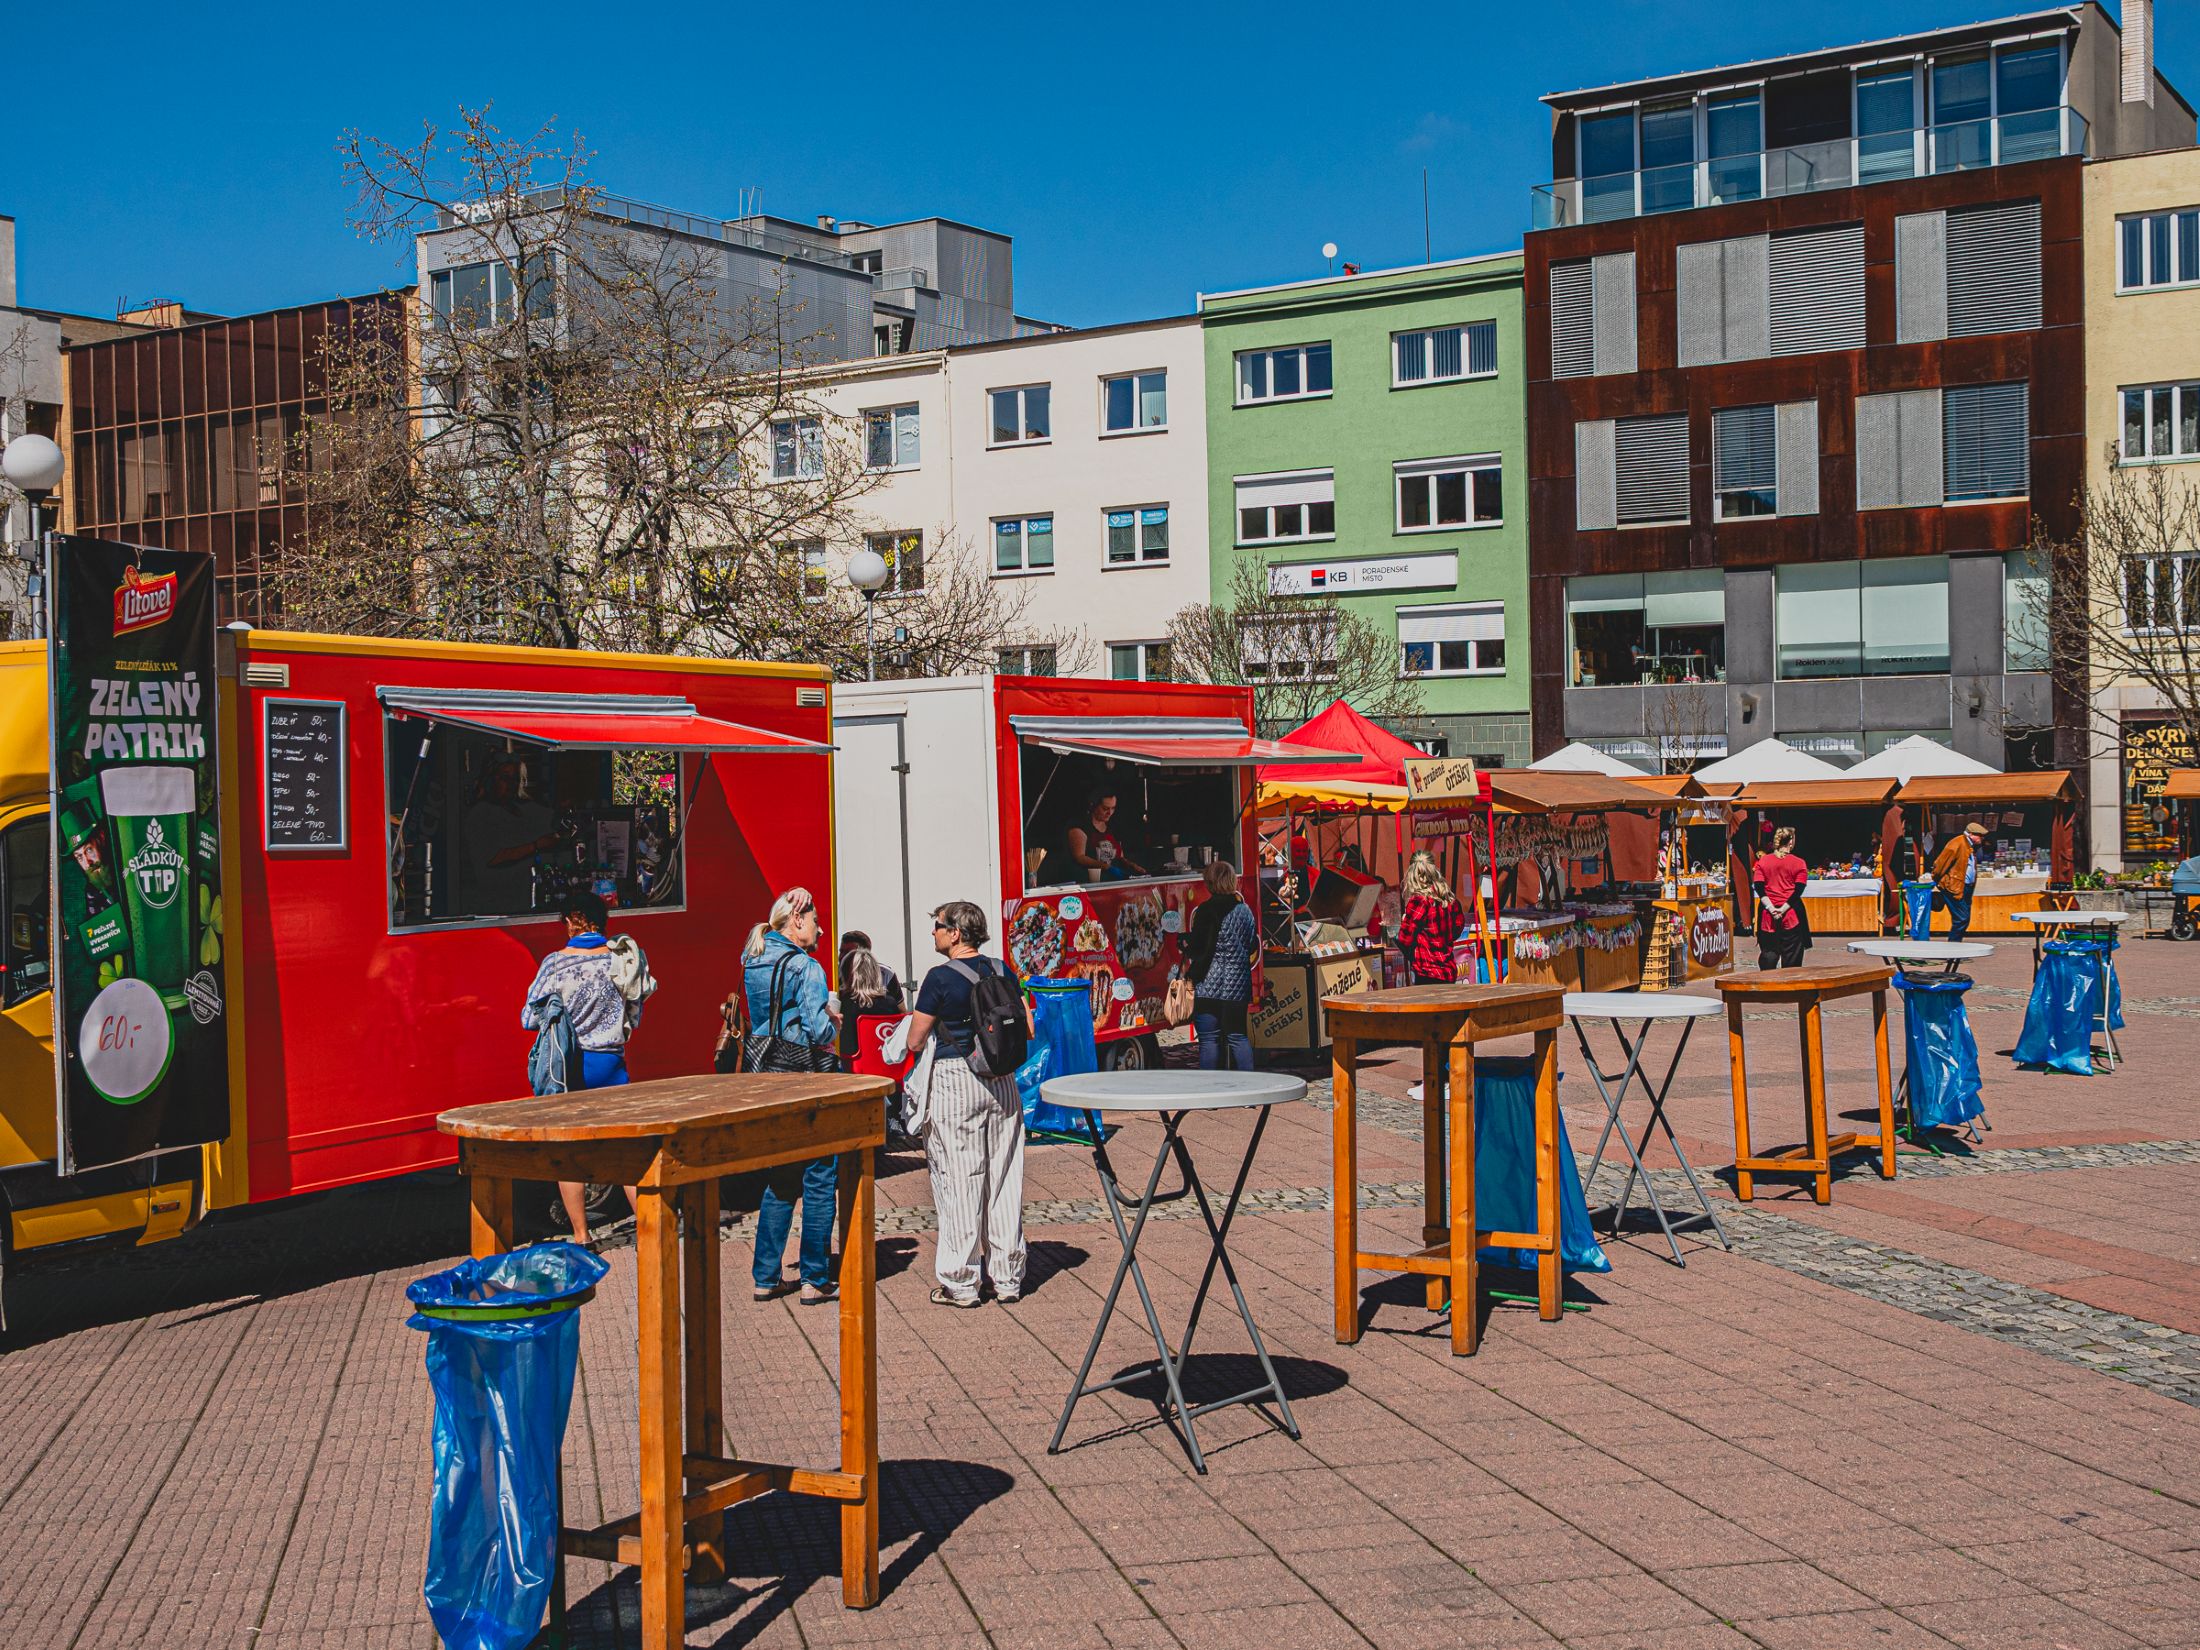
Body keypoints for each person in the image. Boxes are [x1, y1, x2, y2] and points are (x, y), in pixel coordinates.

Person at [906, 900, 1033, 1308]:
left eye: (938, 926)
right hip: (1003, 1081)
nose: (934, 932)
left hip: (956, 1080)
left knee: (959, 1179)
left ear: (956, 933)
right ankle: (1007, 1278)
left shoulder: (939, 978)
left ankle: (961, 1283)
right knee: (1005, 1177)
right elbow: (1028, 1026)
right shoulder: (1001, 969)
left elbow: (914, 1040)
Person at [521, 892, 640, 1244]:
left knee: (568, 1155)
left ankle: (582, 1236)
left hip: (569, 1067)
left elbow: (528, 1018)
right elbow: (634, 1014)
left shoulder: (555, 964)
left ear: (573, 921)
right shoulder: (621, 960)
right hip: (611, 1063)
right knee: (625, 1153)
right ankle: (651, 1228)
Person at [742, 887, 842, 1305]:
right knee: (819, 1175)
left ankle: (766, 1276)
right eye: (816, 921)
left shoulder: (752, 958)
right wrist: (834, 1021)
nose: (821, 930)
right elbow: (818, 1032)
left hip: (767, 1078)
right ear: (798, 920)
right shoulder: (806, 966)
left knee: (780, 1178)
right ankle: (814, 1278)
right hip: (806, 1079)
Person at [1186, 860, 1258, 1071]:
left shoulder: (1206, 910)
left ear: (1210, 883)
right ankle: (1250, 1086)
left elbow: (1199, 948)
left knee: (1209, 1039)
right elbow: (1252, 944)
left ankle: (1211, 1088)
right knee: (1238, 1037)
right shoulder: (1245, 910)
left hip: (1208, 983)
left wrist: (1185, 945)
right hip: (1238, 984)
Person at [1396, 850, 1468, 985]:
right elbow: (1458, 927)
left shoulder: (1419, 901)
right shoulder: (1448, 898)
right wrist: (1441, 939)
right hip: (1448, 970)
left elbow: (1404, 939)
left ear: (1412, 873)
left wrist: (1405, 921)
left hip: (1427, 972)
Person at [835, 930, 905, 1060]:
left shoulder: (844, 1003)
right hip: (885, 1061)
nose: (841, 957)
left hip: (854, 1064)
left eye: (849, 953)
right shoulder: (889, 1002)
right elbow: (902, 1019)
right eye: (841, 951)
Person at [1752, 825, 1812, 970]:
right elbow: (1798, 890)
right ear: (1791, 841)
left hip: (1768, 913)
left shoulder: (1763, 861)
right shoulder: (1799, 863)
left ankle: (1767, 981)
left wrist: (1771, 908)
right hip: (1791, 913)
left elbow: (1758, 887)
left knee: (1769, 953)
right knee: (1792, 957)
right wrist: (1782, 909)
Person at [1062, 790, 1147, 881]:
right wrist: (1106, 867)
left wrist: (1131, 865)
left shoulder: (1113, 827)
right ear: (1093, 806)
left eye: (1113, 808)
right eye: (1105, 808)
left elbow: (1120, 856)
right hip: (1088, 881)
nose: (1110, 813)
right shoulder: (1079, 825)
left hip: (1113, 881)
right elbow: (1080, 857)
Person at [1933, 819, 1990, 941]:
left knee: (1963, 918)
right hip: (1954, 887)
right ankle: (1953, 946)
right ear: (1971, 834)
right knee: (1961, 918)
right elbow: (1940, 865)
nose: (1982, 838)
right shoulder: (1957, 843)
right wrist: (1940, 881)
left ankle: (1955, 945)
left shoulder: (1969, 845)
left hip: (1965, 887)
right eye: (1980, 835)